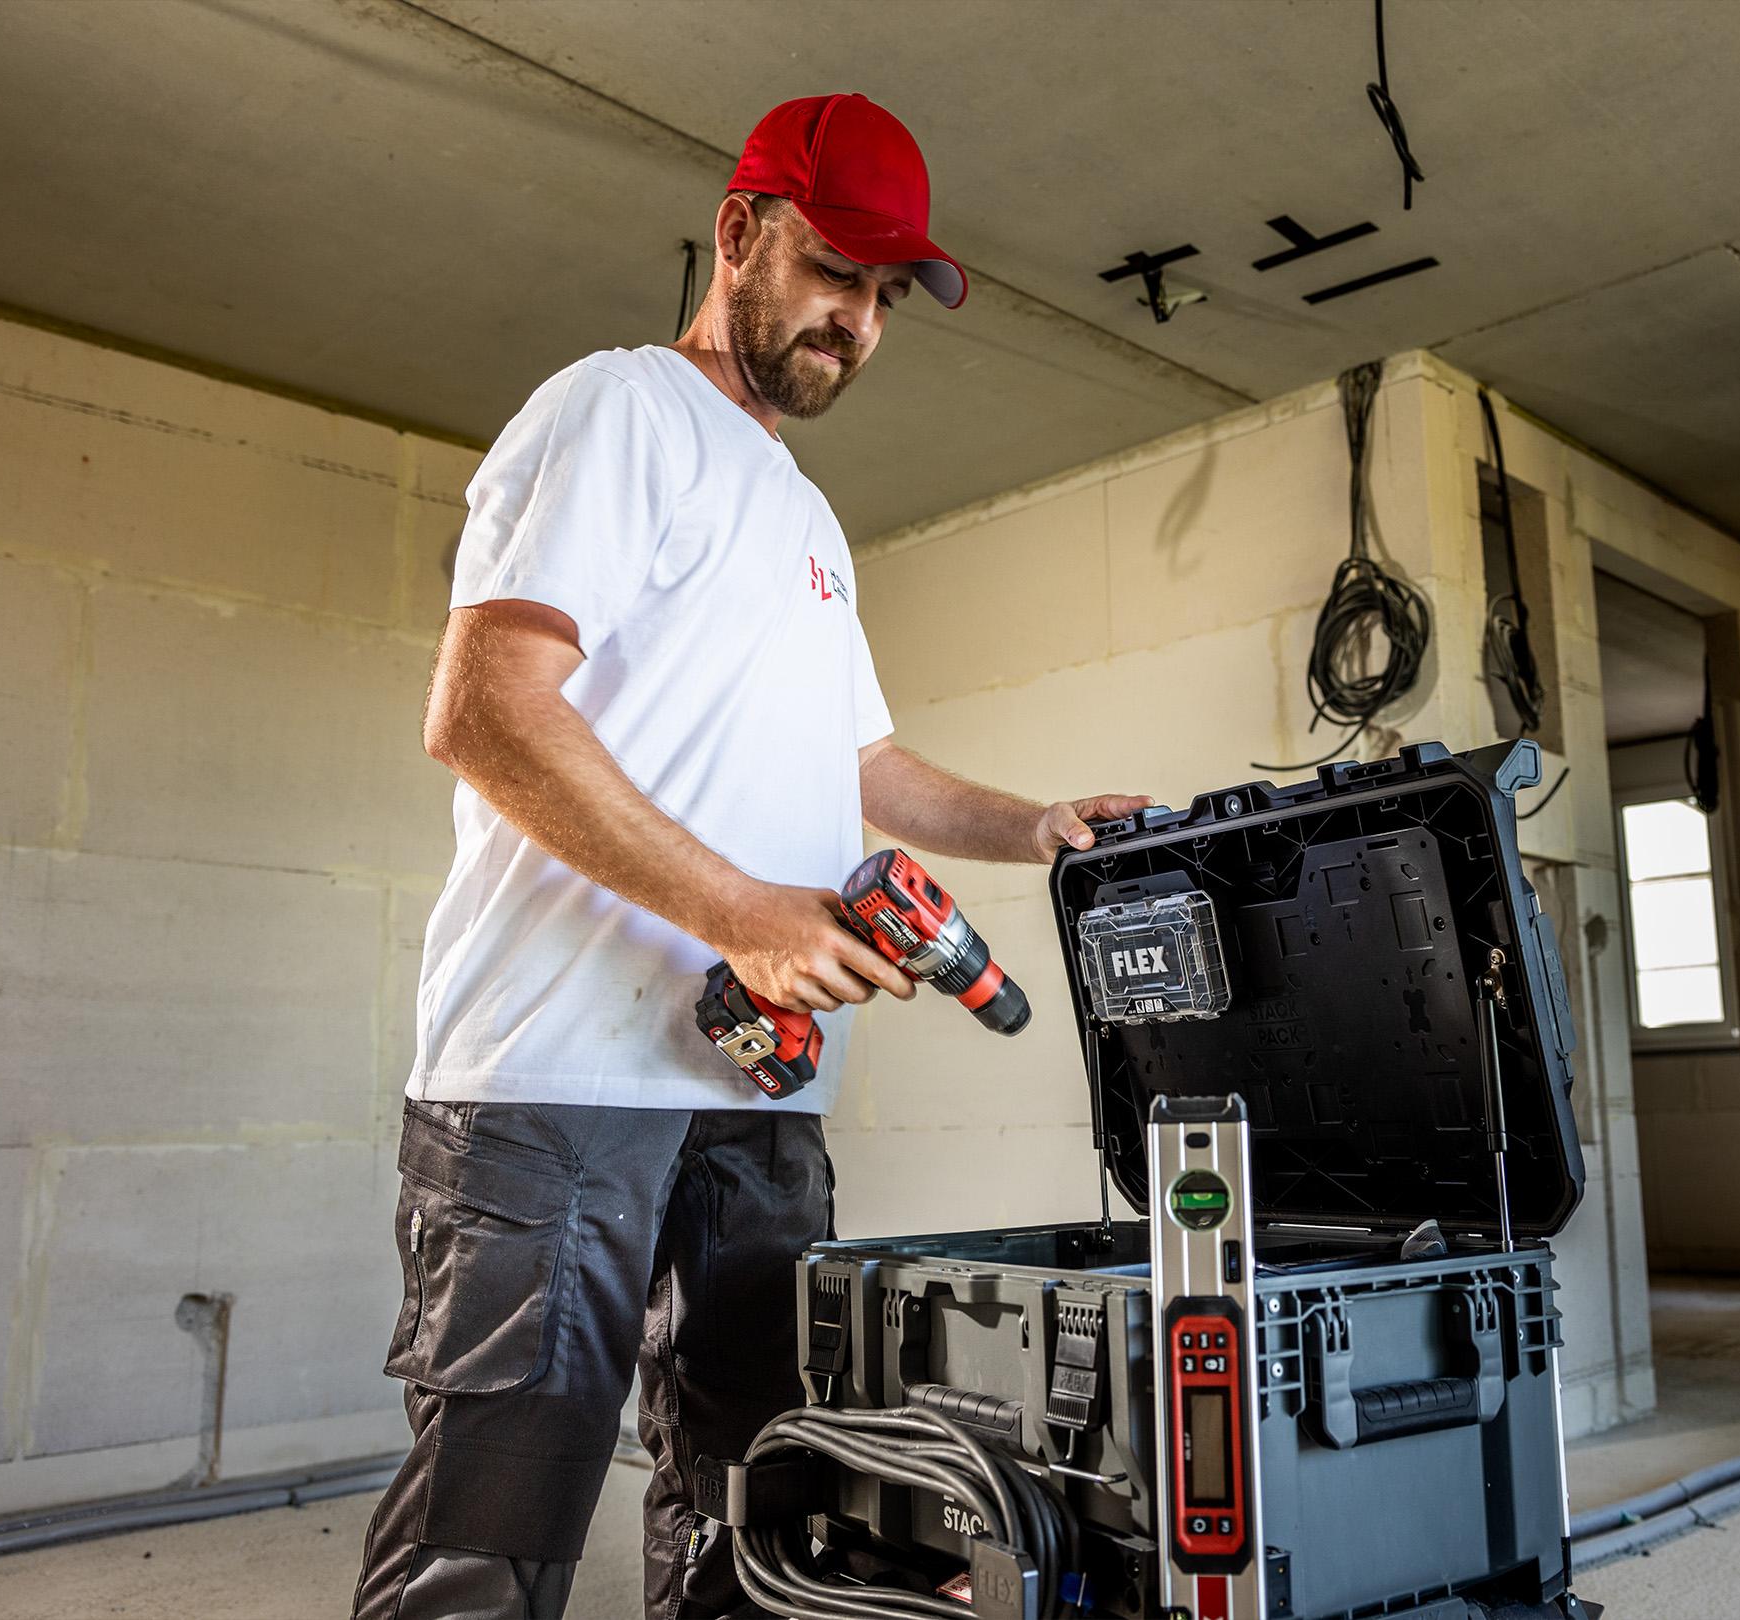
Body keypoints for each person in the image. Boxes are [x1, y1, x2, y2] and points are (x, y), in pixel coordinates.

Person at [351, 92, 1148, 1620]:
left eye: (886, 295)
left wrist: (1031, 825)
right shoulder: (616, 410)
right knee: (487, 1542)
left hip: (759, 1101)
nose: (858, 319)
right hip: (553, 1091)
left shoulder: (809, 521)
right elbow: (484, 710)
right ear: (739, 236)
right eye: (836, 271)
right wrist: (742, 912)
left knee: (759, 1523)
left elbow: (866, 769)